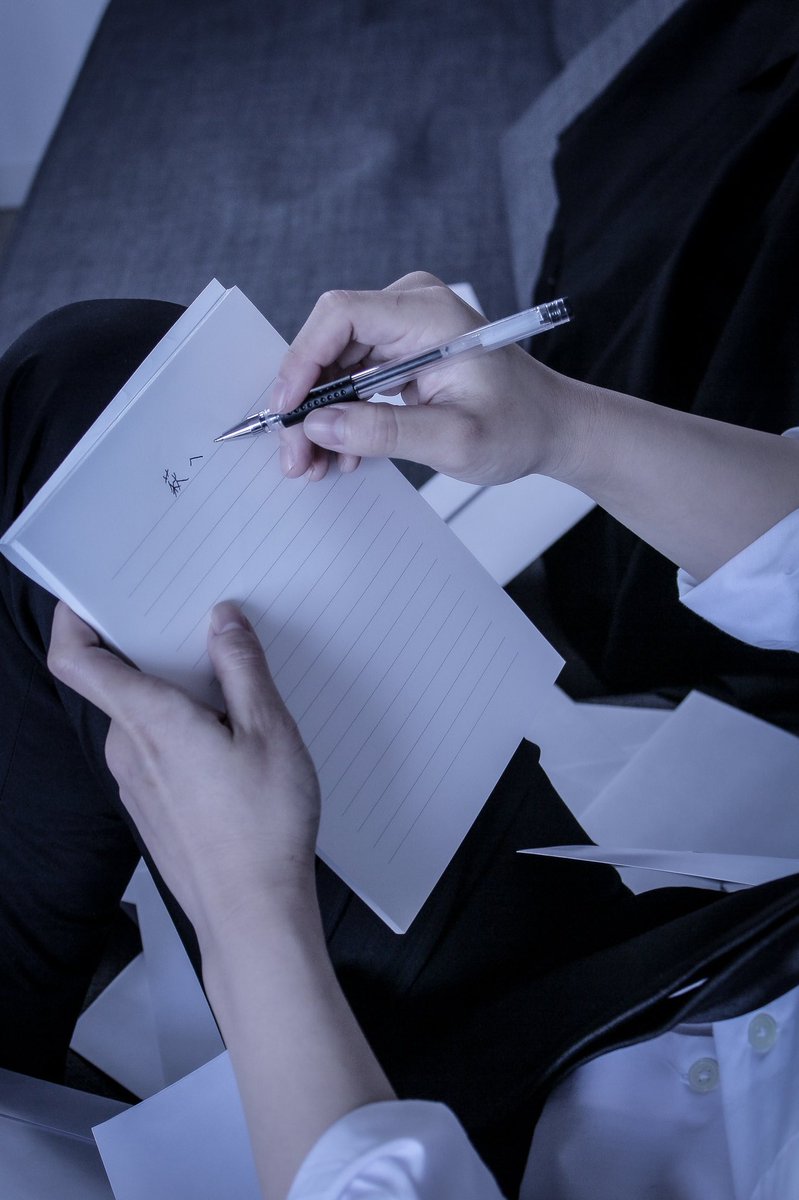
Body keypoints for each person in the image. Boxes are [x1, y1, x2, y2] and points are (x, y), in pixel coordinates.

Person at [41, 275, 799, 1199]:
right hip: (685, 970)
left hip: (471, 1140)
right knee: (94, 386)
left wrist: (242, 905)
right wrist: (560, 422)